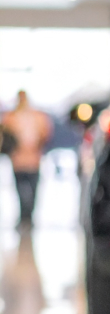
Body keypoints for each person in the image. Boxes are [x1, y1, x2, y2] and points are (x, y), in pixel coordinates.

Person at [2, 91, 52, 227]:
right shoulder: (12, 117)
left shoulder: (33, 117)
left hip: (31, 160)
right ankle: (25, 216)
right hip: (20, 161)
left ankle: (28, 216)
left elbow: (45, 134)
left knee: (30, 189)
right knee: (22, 190)